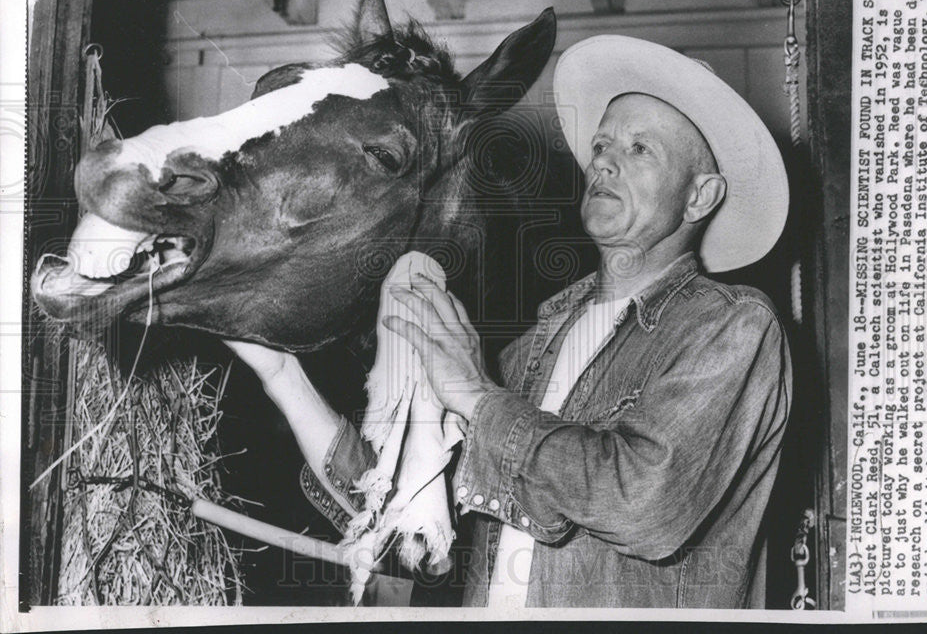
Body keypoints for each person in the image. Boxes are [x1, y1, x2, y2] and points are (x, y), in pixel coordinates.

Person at [228, 35, 792, 608]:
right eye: (602, 143)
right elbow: (396, 508)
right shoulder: (536, 344)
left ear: (700, 197)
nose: (604, 161)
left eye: (641, 149)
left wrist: (476, 395)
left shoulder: (732, 328)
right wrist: (281, 373)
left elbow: (642, 501)